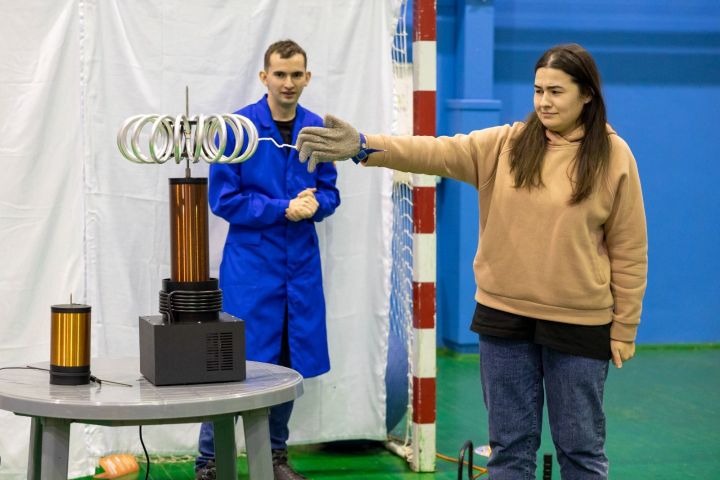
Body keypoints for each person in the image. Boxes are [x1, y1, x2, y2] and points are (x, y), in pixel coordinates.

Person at [296, 43, 647, 479]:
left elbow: (629, 250)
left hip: (579, 325)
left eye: (556, 91)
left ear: (587, 95)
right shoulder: (505, 144)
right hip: (504, 317)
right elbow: (433, 152)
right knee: (509, 451)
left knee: (580, 450)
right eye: (538, 90)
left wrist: (625, 327)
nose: (544, 101)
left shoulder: (614, 157)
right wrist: (364, 145)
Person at [195, 39, 340, 480]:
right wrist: (282, 209)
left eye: (297, 75)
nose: (289, 83)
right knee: (231, 363)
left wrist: (319, 205)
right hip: (251, 270)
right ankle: (210, 461)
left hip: (299, 269)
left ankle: (275, 458)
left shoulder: (317, 128)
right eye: (280, 74)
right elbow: (223, 199)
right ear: (265, 77)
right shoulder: (237, 128)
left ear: (308, 77)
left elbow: (330, 191)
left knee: (285, 364)